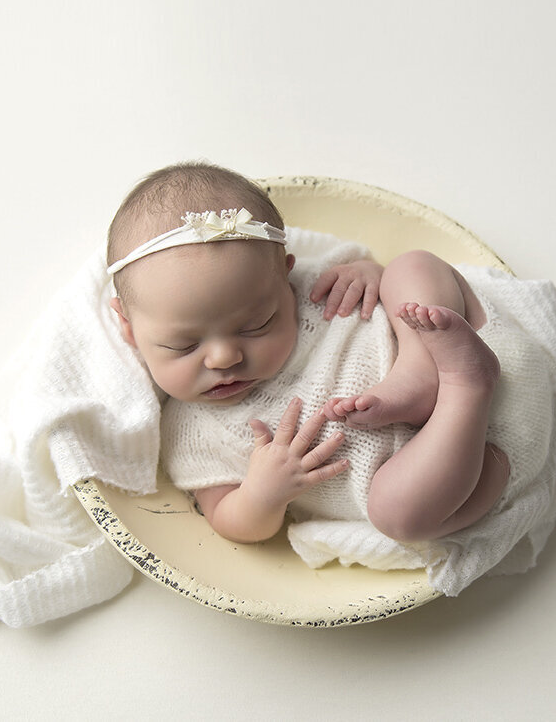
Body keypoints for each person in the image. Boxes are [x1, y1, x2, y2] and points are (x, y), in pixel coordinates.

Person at [107, 161, 510, 546]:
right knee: (396, 514)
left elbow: (378, 279)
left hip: (436, 352)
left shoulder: (315, 284)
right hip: (439, 469)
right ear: (128, 327)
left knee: (414, 266)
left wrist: (370, 274)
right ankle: (464, 387)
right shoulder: (191, 431)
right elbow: (230, 521)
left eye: (256, 325)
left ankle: (421, 372)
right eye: (185, 345)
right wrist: (261, 496)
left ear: (285, 275)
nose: (224, 358)